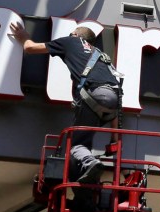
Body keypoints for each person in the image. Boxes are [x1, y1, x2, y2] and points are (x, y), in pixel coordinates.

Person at [10, 22, 122, 187]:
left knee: (76, 145)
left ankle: (90, 163)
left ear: (76, 35)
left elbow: (30, 48)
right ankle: (85, 193)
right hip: (113, 101)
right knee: (84, 146)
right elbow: (117, 97)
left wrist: (22, 36)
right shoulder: (102, 57)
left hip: (92, 96)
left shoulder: (71, 41)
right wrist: (114, 138)